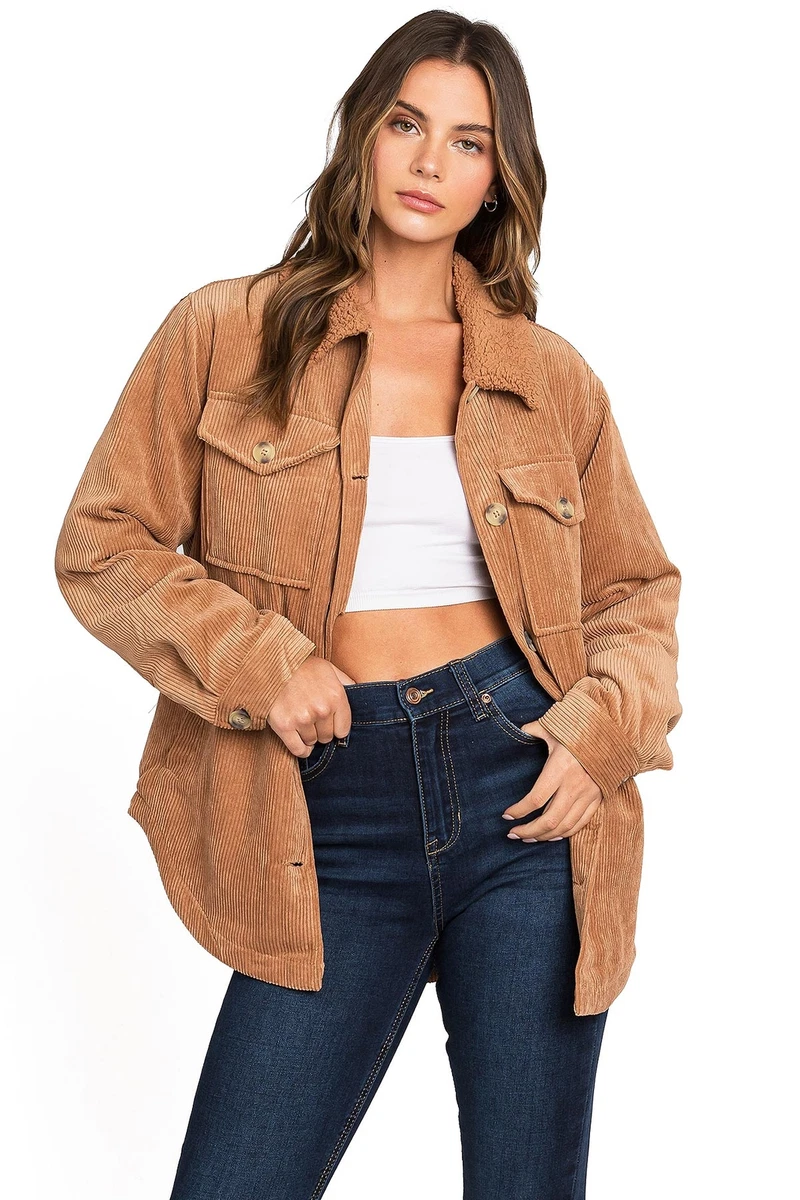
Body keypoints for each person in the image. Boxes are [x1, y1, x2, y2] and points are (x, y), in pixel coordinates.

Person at [55, 10, 682, 1198]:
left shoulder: (547, 377)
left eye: (468, 142)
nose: (429, 162)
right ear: (362, 133)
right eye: (406, 124)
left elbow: (632, 591)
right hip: (322, 808)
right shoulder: (226, 332)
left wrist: (598, 734)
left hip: (521, 791)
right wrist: (262, 662)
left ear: (497, 178)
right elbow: (101, 541)